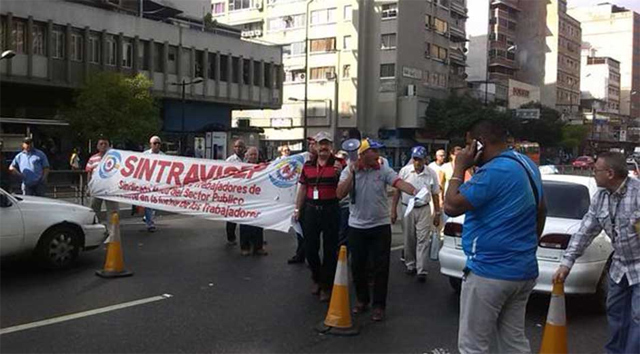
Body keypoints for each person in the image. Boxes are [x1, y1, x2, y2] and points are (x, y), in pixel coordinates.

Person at [444, 120, 547, 354]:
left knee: (473, 345)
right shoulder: (526, 164)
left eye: (470, 144)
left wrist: (459, 168)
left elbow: (450, 206)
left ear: (481, 143)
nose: (468, 150)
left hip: (489, 271)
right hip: (523, 269)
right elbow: (542, 210)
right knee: (513, 341)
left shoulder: (495, 171)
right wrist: (527, 247)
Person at [553, 152, 640, 354]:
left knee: (638, 317)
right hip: (620, 266)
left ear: (610, 173)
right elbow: (585, 232)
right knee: (616, 314)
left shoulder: (637, 194)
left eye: (596, 170)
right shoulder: (600, 198)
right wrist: (567, 263)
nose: (593, 173)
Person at [337, 138, 418, 322]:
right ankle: (362, 300)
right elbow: (339, 194)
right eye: (374, 151)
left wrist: (414, 190)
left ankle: (379, 306)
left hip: (380, 226)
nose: (378, 154)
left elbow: (398, 182)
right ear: (363, 154)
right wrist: (352, 173)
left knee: (381, 268)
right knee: (357, 266)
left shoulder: (383, 169)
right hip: (357, 226)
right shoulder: (349, 169)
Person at [294, 132, 343, 302]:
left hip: (331, 210)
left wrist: (341, 173)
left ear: (331, 147)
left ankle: (326, 285)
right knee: (310, 248)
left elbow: (346, 187)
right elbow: (302, 188)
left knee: (330, 250)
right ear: (314, 146)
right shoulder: (307, 165)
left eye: (326, 144)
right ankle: (316, 276)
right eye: (320, 144)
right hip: (311, 210)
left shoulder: (339, 164)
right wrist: (297, 209)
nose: (323, 147)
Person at [391, 146, 441, 282]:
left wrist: (437, 213)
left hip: (423, 208)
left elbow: (435, 194)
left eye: (420, 159)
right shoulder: (405, 171)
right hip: (407, 208)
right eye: (415, 159)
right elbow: (397, 192)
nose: (417, 162)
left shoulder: (431, 173)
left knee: (423, 239)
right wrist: (393, 210)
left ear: (425, 160)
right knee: (409, 238)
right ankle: (410, 264)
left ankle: (421, 269)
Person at [287, 136, 317, 264]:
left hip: (316, 200)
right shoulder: (301, 158)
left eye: (314, 144)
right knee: (300, 228)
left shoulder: (325, 160)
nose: (311, 146)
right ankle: (300, 254)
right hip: (301, 198)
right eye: (309, 144)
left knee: (312, 232)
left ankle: (312, 258)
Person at [239, 146, 268, 256]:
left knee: (258, 223)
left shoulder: (263, 167)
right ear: (247, 156)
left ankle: (258, 247)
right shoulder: (241, 167)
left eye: (255, 154)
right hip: (245, 199)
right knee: (245, 223)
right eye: (251, 154)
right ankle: (245, 247)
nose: (253, 156)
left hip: (258, 198)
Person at [86, 137, 119, 225]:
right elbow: (89, 173)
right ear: (97, 146)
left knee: (112, 210)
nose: (103, 146)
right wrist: (89, 187)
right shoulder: (92, 159)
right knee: (94, 209)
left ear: (109, 146)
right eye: (101, 144)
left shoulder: (115, 158)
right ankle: (96, 227)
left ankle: (112, 230)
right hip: (97, 187)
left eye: (105, 144)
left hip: (110, 188)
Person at [223, 139, 246, 246]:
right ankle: (230, 237)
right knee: (232, 216)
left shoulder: (247, 159)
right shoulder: (230, 160)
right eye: (236, 147)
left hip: (246, 191)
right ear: (233, 148)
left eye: (240, 147)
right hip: (234, 191)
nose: (238, 149)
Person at [143, 135, 164, 232]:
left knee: (155, 203)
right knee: (148, 203)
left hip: (158, 183)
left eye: (158, 143)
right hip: (147, 183)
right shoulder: (144, 155)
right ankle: (150, 224)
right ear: (150, 144)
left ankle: (148, 217)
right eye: (155, 143)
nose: (157, 145)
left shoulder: (164, 157)